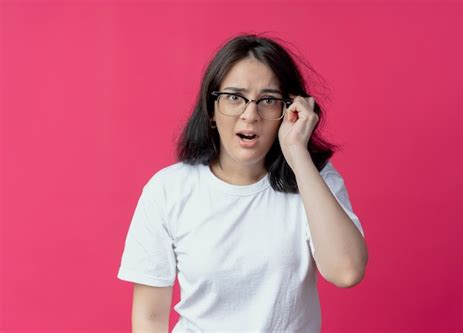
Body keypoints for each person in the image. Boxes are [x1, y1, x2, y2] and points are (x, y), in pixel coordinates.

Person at [117, 33, 368, 332]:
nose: (250, 115)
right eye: (234, 97)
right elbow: (149, 319)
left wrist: (298, 155)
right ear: (211, 109)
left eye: (268, 100)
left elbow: (346, 271)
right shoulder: (168, 190)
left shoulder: (315, 181)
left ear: (289, 111)